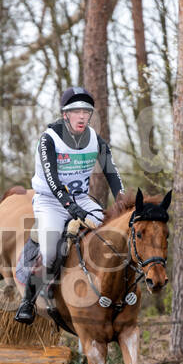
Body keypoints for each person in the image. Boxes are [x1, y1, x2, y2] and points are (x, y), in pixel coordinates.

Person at [15, 86, 125, 324]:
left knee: (111, 233)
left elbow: (112, 173)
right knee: (51, 250)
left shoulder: (95, 139)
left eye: (86, 111)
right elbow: (53, 180)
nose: (83, 116)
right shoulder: (49, 139)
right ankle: (28, 301)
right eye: (76, 111)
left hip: (81, 198)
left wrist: (122, 199)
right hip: (50, 200)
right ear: (65, 114)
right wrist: (71, 208)